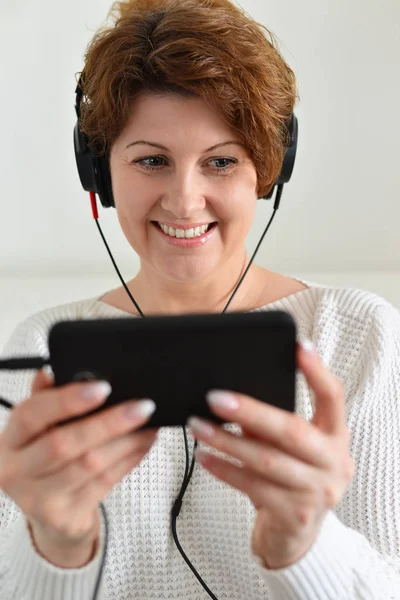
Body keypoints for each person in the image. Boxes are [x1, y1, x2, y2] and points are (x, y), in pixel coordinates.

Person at [0, 0, 399, 598]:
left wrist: (304, 547)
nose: (185, 202)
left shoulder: (359, 333)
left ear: (268, 170)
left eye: (220, 162)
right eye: (152, 160)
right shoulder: (38, 347)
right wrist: (55, 546)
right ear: (99, 173)